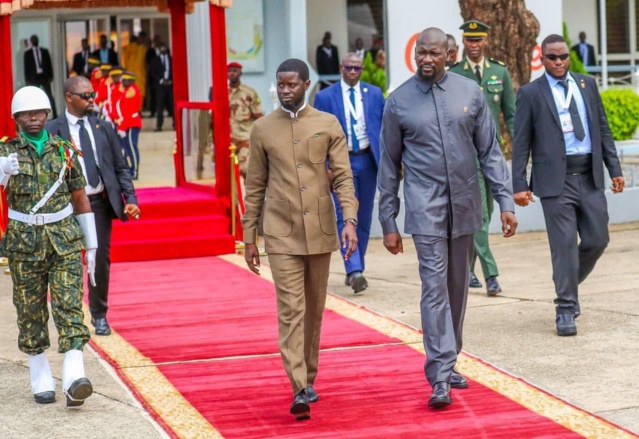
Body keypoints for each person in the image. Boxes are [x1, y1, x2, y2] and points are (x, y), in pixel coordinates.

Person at [378, 28, 517, 409]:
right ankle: (439, 374)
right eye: (421, 53)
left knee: (457, 286)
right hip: (425, 208)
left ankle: (450, 356)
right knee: (434, 287)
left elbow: (489, 152)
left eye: (433, 53)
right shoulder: (399, 102)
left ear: (448, 55)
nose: (426, 59)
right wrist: (388, 220)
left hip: (467, 205)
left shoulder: (469, 93)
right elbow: (389, 165)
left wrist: (505, 201)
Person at [242, 59, 358, 420]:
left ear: (306, 84)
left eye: (292, 84)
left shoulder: (327, 124)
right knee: (292, 309)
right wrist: (249, 237)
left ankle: (308, 376)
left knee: (314, 310)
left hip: (321, 231)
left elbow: (342, 177)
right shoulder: (262, 129)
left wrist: (349, 219)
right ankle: (297, 388)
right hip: (280, 232)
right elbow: (255, 185)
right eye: (281, 85)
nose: (285, 90)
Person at [512, 34, 624, 337]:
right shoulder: (531, 93)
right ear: (542, 58)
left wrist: (614, 169)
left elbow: (603, 129)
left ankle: (567, 284)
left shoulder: (587, 84)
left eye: (563, 56)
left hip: (589, 176)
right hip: (554, 183)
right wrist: (519, 184)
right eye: (552, 57)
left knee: (598, 240)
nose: (559, 62)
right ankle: (565, 308)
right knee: (563, 247)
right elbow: (521, 142)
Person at [0, 86, 98, 408]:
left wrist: (92, 246)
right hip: (25, 244)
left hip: (65, 240)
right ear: (16, 117)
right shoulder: (6, 152)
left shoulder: (65, 151)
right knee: (30, 313)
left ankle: (74, 378)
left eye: (39, 113)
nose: (34, 119)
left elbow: (80, 199)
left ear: (47, 115)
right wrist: (2, 172)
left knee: (70, 306)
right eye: (27, 114)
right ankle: (40, 377)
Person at [46, 76, 140, 337]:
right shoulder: (53, 129)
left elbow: (120, 167)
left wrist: (130, 199)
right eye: (85, 96)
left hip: (97, 203)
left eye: (92, 95)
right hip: (64, 206)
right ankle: (70, 315)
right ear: (69, 97)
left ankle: (99, 315)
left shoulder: (102, 127)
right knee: (65, 262)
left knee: (99, 259)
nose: (91, 100)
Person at [449, 20, 516, 295]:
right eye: (469, 40)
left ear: (486, 41)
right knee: (481, 216)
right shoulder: (454, 74)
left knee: (482, 217)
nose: (474, 45)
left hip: (492, 154)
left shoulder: (499, 71)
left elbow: (511, 115)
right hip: (467, 156)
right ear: (463, 42)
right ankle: (491, 275)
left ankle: (467, 271)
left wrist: (522, 153)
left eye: (478, 40)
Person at [314, 52, 385, 294]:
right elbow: (317, 134)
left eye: (357, 68)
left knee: (363, 217)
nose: (353, 72)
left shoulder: (374, 94)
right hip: (340, 165)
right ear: (341, 68)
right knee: (345, 214)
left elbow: (384, 128)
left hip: (368, 160)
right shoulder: (325, 96)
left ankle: (356, 265)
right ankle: (354, 271)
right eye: (348, 68)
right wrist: (324, 167)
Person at [228, 62, 264, 179]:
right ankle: (235, 197)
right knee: (228, 174)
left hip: (245, 138)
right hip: (227, 140)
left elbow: (258, 117)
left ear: (240, 73)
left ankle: (249, 196)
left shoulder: (249, 93)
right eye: (230, 71)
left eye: (235, 70)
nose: (232, 73)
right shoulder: (220, 92)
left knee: (246, 169)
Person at [115, 71, 143, 179]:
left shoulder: (132, 91)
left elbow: (128, 111)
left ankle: (135, 171)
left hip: (132, 123)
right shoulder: (127, 90)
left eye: (126, 80)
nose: (123, 82)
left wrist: (122, 127)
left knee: (131, 147)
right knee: (127, 148)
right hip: (127, 123)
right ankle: (131, 170)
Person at [24, 35, 57, 118]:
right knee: (33, 97)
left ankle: (55, 114)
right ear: (31, 41)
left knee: (49, 96)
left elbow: (49, 64)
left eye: (36, 40)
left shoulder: (44, 51)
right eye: (33, 40)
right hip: (33, 78)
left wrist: (51, 76)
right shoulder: (27, 53)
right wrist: (27, 80)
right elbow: (26, 67)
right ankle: (33, 115)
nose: (35, 41)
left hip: (44, 77)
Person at [149, 45, 174, 132]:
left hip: (170, 86)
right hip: (160, 87)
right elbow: (152, 73)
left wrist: (170, 81)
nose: (163, 50)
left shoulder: (171, 59)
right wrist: (161, 80)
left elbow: (174, 71)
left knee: (172, 105)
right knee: (159, 107)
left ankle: (175, 124)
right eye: (161, 48)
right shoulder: (155, 60)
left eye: (165, 48)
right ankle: (159, 125)